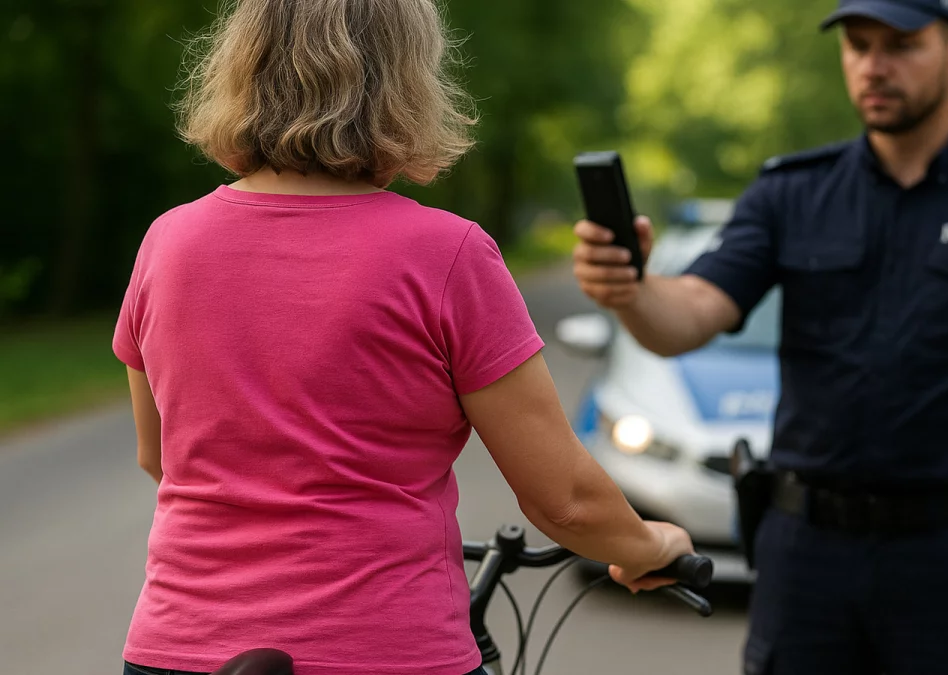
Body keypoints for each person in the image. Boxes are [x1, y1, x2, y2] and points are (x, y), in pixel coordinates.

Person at [112, 1, 695, 674]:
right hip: (385, 649)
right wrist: (648, 545)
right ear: (404, 83)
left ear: (244, 71)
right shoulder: (445, 254)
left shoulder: (168, 243)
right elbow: (564, 500)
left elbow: (159, 455)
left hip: (179, 649)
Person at [571, 0, 948, 673]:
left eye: (901, 45)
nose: (874, 65)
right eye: (859, 45)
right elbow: (689, 313)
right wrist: (632, 291)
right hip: (806, 558)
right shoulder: (790, 193)